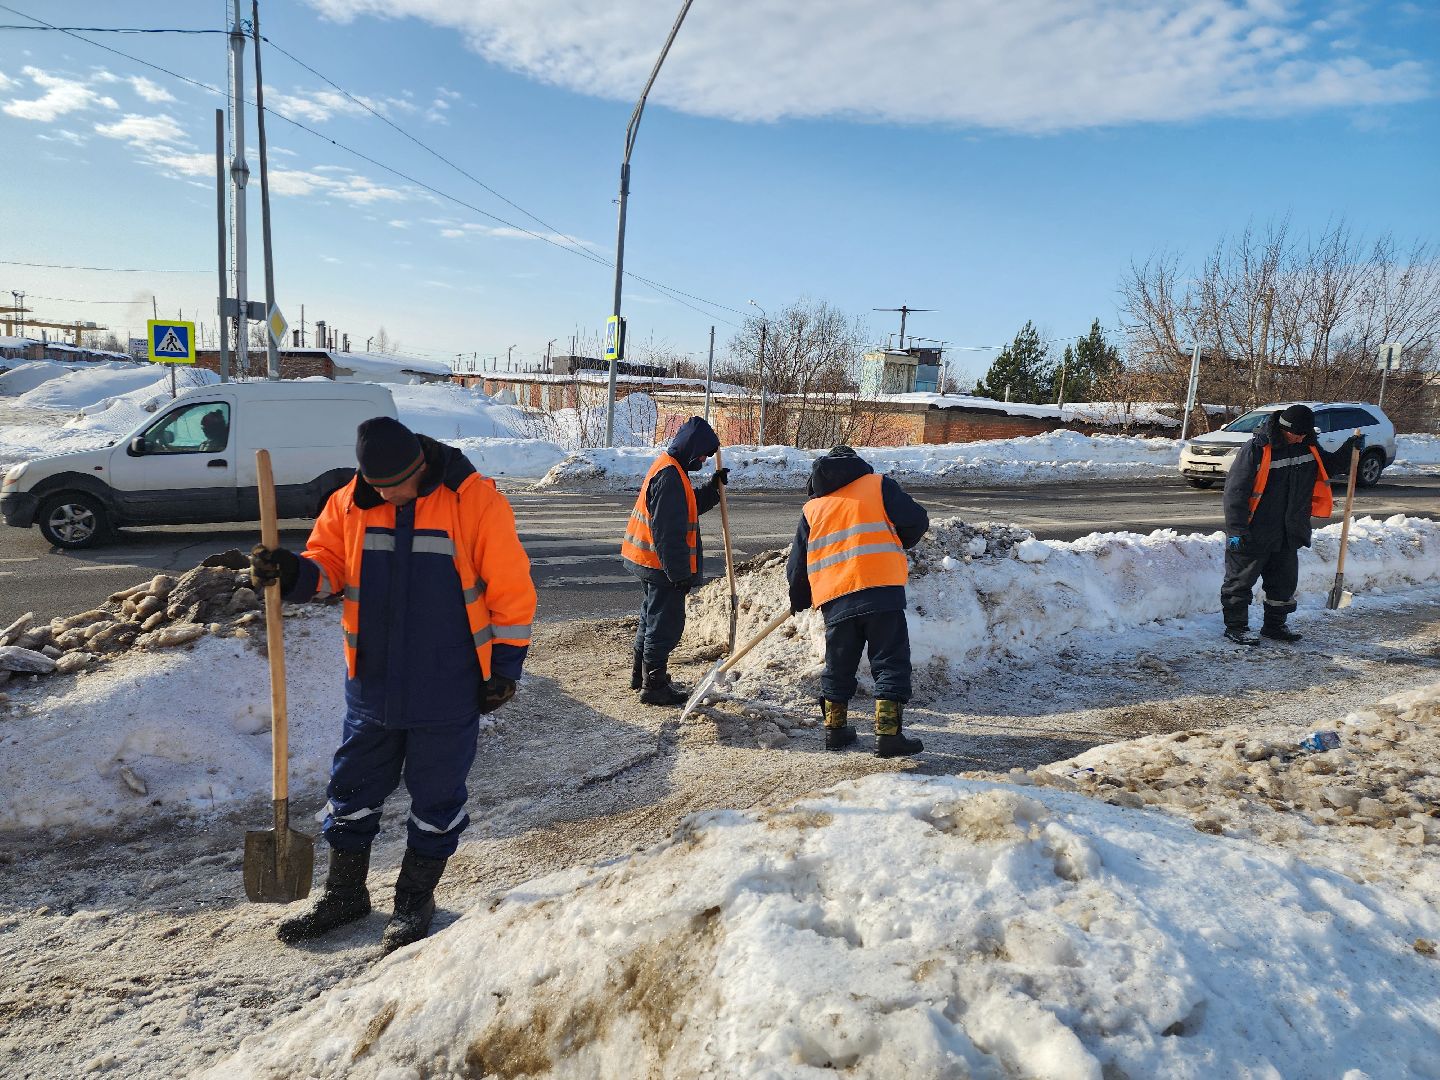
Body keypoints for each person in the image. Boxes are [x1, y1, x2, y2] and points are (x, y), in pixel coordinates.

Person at [249, 416, 535, 954]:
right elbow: (329, 565)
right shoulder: (349, 502)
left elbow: (512, 590)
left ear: (420, 467)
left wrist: (505, 669)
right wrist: (291, 573)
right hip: (372, 682)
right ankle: (345, 894)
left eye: (396, 485)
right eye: (378, 487)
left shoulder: (474, 502)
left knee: (436, 797)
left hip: (447, 682)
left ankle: (412, 902)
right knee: (352, 789)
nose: (388, 495)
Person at [786, 446, 929, 756]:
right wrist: (901, 540)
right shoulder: (878, 485)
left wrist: (798, 596)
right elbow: (917, 519)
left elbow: (797, 564)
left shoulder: (813, 509)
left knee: (838, 664)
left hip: (836, 598)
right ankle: (888, 735)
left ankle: (835, 732)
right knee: (889, 660)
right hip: (880, 590)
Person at [1221, 404, 1363, 645]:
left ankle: (1274, 627)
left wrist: (1349, 450)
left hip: (1289, 530)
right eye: (1294, 433)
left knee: (1283, 585)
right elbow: (1235, 491)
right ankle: (1236, 628)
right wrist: (1236, 530)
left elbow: (1326, 466)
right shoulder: (1257, 449)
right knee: (1240, 582)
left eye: (1303, 434)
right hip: (1255, 530)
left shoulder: (1308, 445)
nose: (1298, 438)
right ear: (1283, 428)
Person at [621, 415, 727, 706]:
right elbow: (669, 533)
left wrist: (712, 490)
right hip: (660, 565)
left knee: (651, 617)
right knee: (664, 624)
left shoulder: (672, 468)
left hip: (649, 562)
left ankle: (641, 676)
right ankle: (654, 686)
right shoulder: (670, 477)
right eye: (703, 454)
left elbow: (687, 506)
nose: (704, 460)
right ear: (692, 449)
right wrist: (679, 574)